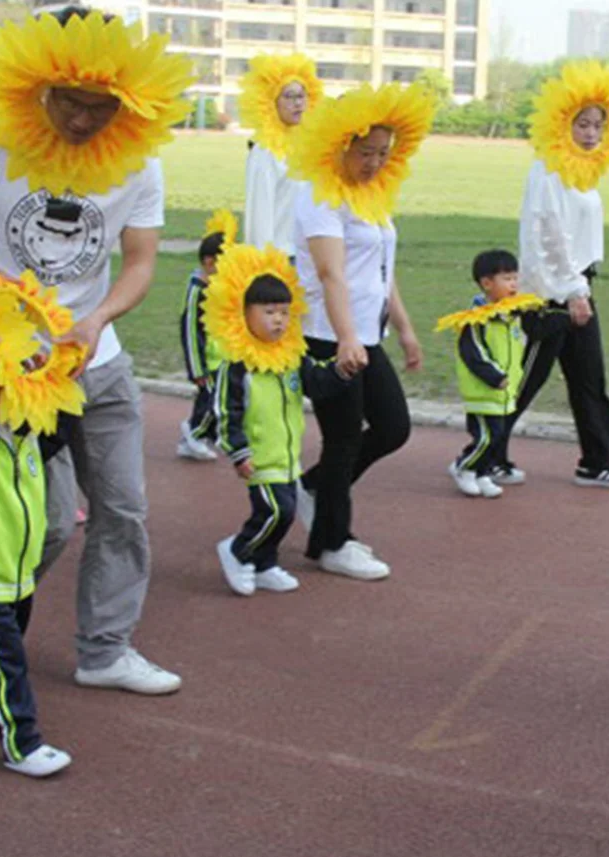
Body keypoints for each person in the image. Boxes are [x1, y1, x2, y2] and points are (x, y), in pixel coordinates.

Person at [0, 6, 191, 695]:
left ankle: (104, 648)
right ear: (38, 86)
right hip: (15, 369)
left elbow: (140, 261)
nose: (83, 118)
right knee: (45, 522)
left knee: (124, 507)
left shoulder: (137, 164)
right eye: (70, 102)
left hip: (97, 360)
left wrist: (98, 317)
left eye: (100, 105)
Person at [0, 239, 92, 776]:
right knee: (7, 662)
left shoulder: (20, 439)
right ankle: (21, 741)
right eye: (1, 379)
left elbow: (56, 428)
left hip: (16, 567)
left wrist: (59, 380)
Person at [287, 83, 434, 581]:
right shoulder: (319, 194)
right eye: (365, 152)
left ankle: (313, 489)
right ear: (341, 145)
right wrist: (347, 337)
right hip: (328, 334)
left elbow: (381, 269)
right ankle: (331, 542)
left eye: (383, 154)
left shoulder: (370, 195)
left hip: (366, 333)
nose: (374, 162)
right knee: (344, 438)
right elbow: (332, 274)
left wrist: (406, 328)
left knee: (393, 427)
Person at [499, 60, 609, 491]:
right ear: (563, 123)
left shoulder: (584, 171)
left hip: (578, 283)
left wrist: (582, 286)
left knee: (589, 378)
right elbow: (548, 235)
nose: (592, 132)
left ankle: (599, 461)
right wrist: (572, 290)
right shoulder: (549, 170)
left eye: (599, 124)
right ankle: (482, 453)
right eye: (583, 124)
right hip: (550, 291)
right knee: (523, 380)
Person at [205, 245, 350, 596]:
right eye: (269, 312)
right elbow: (225, 411)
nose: (279, 320)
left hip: (287, 455)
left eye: (285, 313)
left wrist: (341, 372)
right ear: (245, 314)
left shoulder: (290, 356)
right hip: (258, 455)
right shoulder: (238, 364)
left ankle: (265, 562)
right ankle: (238, 549)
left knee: (284, 514)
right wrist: (238, 451)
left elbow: (315, 383)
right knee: (276, 511)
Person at [435, 248, 543, 498]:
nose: (514, 284)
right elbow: (474, 353)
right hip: (485, 391)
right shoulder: (475, 320)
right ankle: (464, 467)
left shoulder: (511, 316)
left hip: (505, 393)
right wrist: (495, 376)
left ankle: (481, 474)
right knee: (486, 437)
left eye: (515, 277)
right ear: (486, 283)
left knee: (497, 438)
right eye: (506, 279)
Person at [241, 54, 322, 256]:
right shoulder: (265, 151)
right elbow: (259, 215)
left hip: (309, 257)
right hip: (282, 258)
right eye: (289, 96)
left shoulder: (311, 146)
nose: (298, 104)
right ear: (272, 103)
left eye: (302, 96)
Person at [176, 212, 237, 462]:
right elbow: (190, 331)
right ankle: (194, 433)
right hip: (205, 361)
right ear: (210, 262)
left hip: (219, 357)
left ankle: (197, 433)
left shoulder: (215, 288)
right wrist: (196, 368)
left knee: (217, 399)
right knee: (211, 399)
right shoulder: (197, 292)